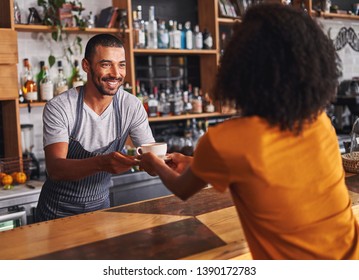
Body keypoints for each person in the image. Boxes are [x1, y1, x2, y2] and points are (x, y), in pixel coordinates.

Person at [138, 4, 359, 259]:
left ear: (240, 68)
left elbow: (181, 187)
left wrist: (154, 162)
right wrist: (194, 162)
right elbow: (271, 167)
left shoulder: (226, 140)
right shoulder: (318, 121)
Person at [36, 34, 154, 221]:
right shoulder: (60, 107)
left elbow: (152, 159)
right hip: (57, 213)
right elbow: (55, 169)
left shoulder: (131, 106)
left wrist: (163, 162)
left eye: (121, 64)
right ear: (86, 66)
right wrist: (102, 163)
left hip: (101, 210)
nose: (116, 73)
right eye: (106, 64)